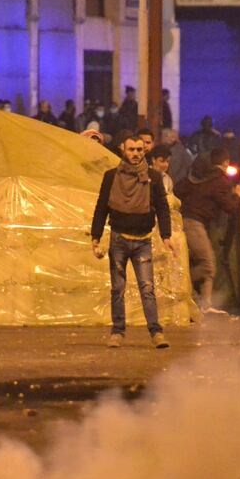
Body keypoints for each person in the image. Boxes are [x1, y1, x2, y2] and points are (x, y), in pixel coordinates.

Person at [90, 135, 173, 349]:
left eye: (139, 149)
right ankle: (118, 332)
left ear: (144, 150)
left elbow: (163, 207)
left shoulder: (153, 177)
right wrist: (95, 236)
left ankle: (156, 333)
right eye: (131, 150)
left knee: (147, 288)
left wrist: (166, 236)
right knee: (118, 289)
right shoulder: (111, 177)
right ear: (123, 150)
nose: (135, 153)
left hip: (143, 241)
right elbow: (102, 207)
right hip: (118, 239)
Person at [174, 148, 240, 315]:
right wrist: (238, 195)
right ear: (225, 163)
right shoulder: (219, 181)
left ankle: (204, 305)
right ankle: (178, 283)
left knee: (201, 262)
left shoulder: (194, 178)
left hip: (184, 222)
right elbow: (230, 207)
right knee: (208, 265)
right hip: (195, 225)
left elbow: (177, 190)